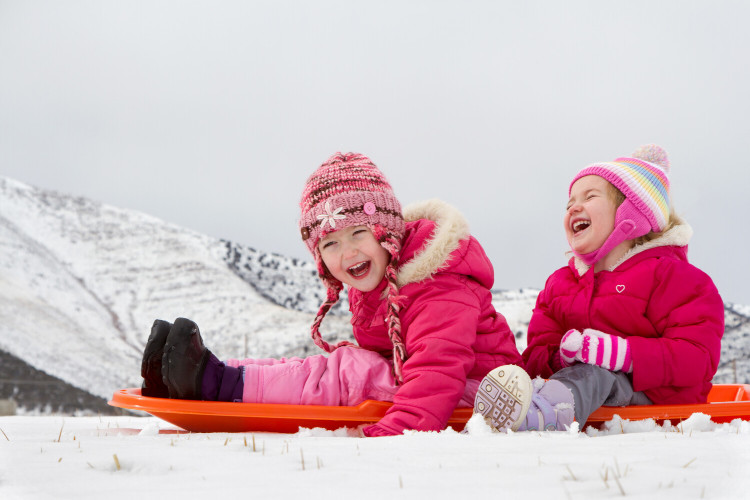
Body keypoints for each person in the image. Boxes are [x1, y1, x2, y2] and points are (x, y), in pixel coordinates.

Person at [141, 152, 523, 436]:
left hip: (478, 393)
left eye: (359, 233)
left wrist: (397, 433)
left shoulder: (439, 283)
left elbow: (437, 369)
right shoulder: (378, 281)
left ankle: (218, 385)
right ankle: (210, 371)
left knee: (350, 372)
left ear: (387, 232)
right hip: (431, 386)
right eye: (331, 244)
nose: (349, 252)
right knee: (334, 364)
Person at [473, 144, 724, 432]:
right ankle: (501, 415)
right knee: (559, 377)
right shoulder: (560, 285)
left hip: (656, 398)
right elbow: (536, 356)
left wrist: (621, 354)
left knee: (595, 375)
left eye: (590, 197)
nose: (573, 207)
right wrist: (561, 356)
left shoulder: (674, 277)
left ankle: (542, 419)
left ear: (632, 213)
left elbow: (698, 357)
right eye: (569, 204)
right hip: (580, 388)